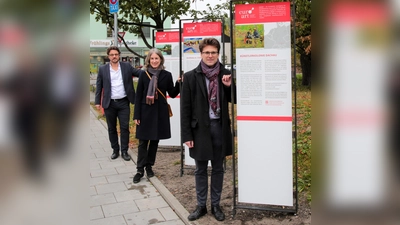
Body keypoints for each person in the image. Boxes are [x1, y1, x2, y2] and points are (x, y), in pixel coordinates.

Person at [181, 38, 236, 222]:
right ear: (201, 53)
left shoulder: (226, 74)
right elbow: (185, 108)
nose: (210, 56)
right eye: (207, 52)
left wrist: (229, 87)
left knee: (219, 169)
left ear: (218, 54)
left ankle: (216, 205)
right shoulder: (190, 76)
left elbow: (234, 99)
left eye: (213, 52)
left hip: (219, 128)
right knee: (200, 169)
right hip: (199, 131)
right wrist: (186, 135)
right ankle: (201, 206)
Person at [133, 48, 181, 183]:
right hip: (145, 112)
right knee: (143, 142)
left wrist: (178, 83)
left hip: (159, 113)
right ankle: (139, 169)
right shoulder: (143, 75)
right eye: (152, 58)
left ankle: (149, 167)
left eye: (156, 58)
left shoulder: (166, 75)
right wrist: (136, 115)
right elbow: (138, 96)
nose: (154, 61)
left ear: (161, 59)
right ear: (148, 60)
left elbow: (171, 93)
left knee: (154, 141)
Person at [95, 46, 141, 161]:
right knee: (111, 128)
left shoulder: (126, 66)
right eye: (112, 54)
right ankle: (115, 150)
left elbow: (139, 73)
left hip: (124, 102)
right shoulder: (103, 69)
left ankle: (124, 151)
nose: (114, 56)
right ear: (108, 56)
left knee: (125, 127)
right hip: (109, 103)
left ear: (119, 55)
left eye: (116, 54)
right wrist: (97, 102)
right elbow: (99, 86)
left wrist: (152, 71)